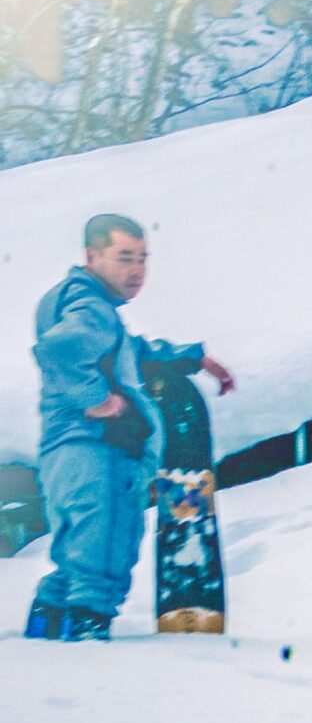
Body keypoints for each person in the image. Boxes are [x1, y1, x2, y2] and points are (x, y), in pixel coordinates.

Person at [25, 212, 234, 641]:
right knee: (106, 553)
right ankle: (87, 643)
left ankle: (44, 634)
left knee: (75, 557)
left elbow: (128, 350)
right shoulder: (91, 308)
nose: (137, 270)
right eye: (124, 258)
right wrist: (97, 400)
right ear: (92, 256)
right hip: (96, 450)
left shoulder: (74, 301)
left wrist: (190, 357)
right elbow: (61, 350)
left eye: (142, 258)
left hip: (67, 453)